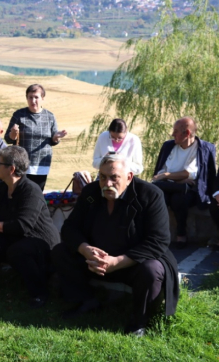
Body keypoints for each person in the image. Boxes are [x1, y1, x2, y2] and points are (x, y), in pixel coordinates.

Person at [52, 154, 179, 336]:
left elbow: (158, 240)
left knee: (152, 270)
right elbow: (70, 228)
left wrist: (118, 262)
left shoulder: (150, 195)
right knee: (61, 252)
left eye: (114, 178)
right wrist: (86, 250)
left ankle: (139, 321)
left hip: (132, 262)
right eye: (103, 177)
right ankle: (86, 301)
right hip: (94, 261)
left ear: (129, 177)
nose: (107, 183)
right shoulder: (91, 192)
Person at [0, 146, 60, 308]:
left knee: (18, 250)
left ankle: (40, 294)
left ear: (11, 169)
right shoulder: (0, 188)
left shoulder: (31, 191)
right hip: (14, 238)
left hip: (40, 241)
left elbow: (22, 226)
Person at [153, 117, 216, 248]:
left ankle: (181, 234)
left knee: (179, 199)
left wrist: (167, 175)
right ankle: (157, 236)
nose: (172, 134)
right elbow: (159, 174)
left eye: (176, 131)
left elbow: (190, 174)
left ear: (186, 133)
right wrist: (178, 179)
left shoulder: (203, 148)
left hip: (188, 190)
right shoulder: (168, 146)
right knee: (160, 197)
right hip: (171, 185)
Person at [4, 84, 67, 191]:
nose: (33, 100)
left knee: (36, 195)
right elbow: (8, 138)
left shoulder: (50, 117)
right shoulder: (19, 115)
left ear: (42, 98)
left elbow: (53, 141)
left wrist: (56, 137)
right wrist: (13, 133)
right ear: (27, 98)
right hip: (21, 165)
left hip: (41, 165)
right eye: (30, 97)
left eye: (36, 97)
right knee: (19, 194)